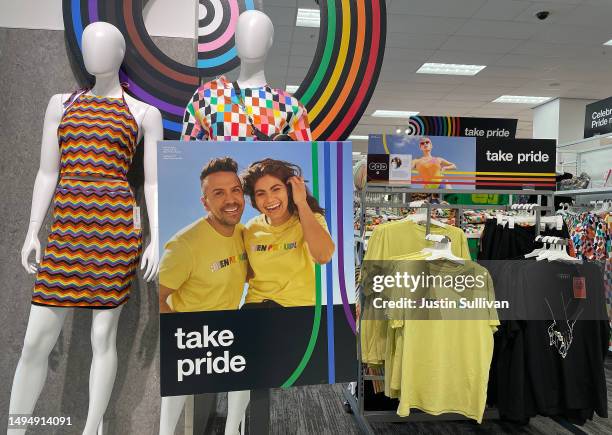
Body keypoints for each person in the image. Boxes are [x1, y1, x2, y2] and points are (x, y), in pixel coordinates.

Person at [158, 157, 248, 435]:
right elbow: (158, 298)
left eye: (235, 190)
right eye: (218, 193)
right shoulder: (184, 245)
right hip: (193, 337)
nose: (231, 199)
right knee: (172, 413)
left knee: (245, 380)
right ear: (205, 202)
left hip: (230, 332)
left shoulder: (245, 234)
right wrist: (184, 336)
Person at [241, 158, 335, 308]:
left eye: (276, 189)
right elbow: (247, 274)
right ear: (255, 200)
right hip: (255, 308)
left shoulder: (311, 219)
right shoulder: (250, 228)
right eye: (261, 193)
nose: (269, 199)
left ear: (289, 190)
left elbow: (323, 256)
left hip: (297, 311)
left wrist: (301, 202)